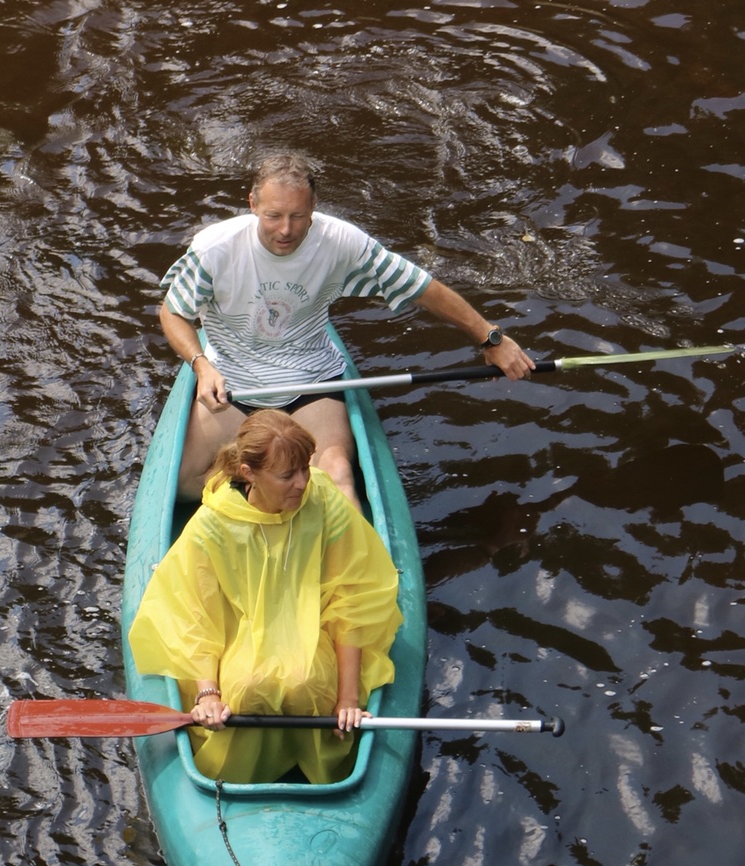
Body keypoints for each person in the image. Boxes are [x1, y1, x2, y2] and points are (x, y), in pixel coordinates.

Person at [159, 152, 536, 508]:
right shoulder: (215, 249)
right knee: (183, 485)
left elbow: (421, 288)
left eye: (298, 215)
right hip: (234, 385)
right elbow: (172, 313)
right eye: (274, 215)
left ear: (314, 208)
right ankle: (263, 498)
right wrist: (201, 364)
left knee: (337, 474)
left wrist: (490, 338)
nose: (286, 230)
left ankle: (350, 571)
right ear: (253, 204)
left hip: (312, 383)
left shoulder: (341, 241)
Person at [128, 410, 403, 785]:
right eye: (287, 475)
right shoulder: (211, 525)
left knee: (307, 682)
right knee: (248, 690)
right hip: (237, 631)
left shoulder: (324, 500)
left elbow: (352, 598)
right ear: (248, 473)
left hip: (313, 623)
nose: (303, 483)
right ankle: (239, 778)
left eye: (305, 468)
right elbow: (194, 612)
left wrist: (348, 699)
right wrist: (208, 693)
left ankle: (317, 766)